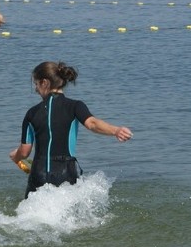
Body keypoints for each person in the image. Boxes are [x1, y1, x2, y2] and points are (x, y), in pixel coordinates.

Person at [9, 61, 133, 198]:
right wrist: (116, 130)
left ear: (44, 82)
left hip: (38, 174)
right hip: (65, 173)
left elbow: (25, 152)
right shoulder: (75, 106)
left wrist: (15, 156)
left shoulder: (31, 113)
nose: (36, 89)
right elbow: (92, 123)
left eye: (36, 84)